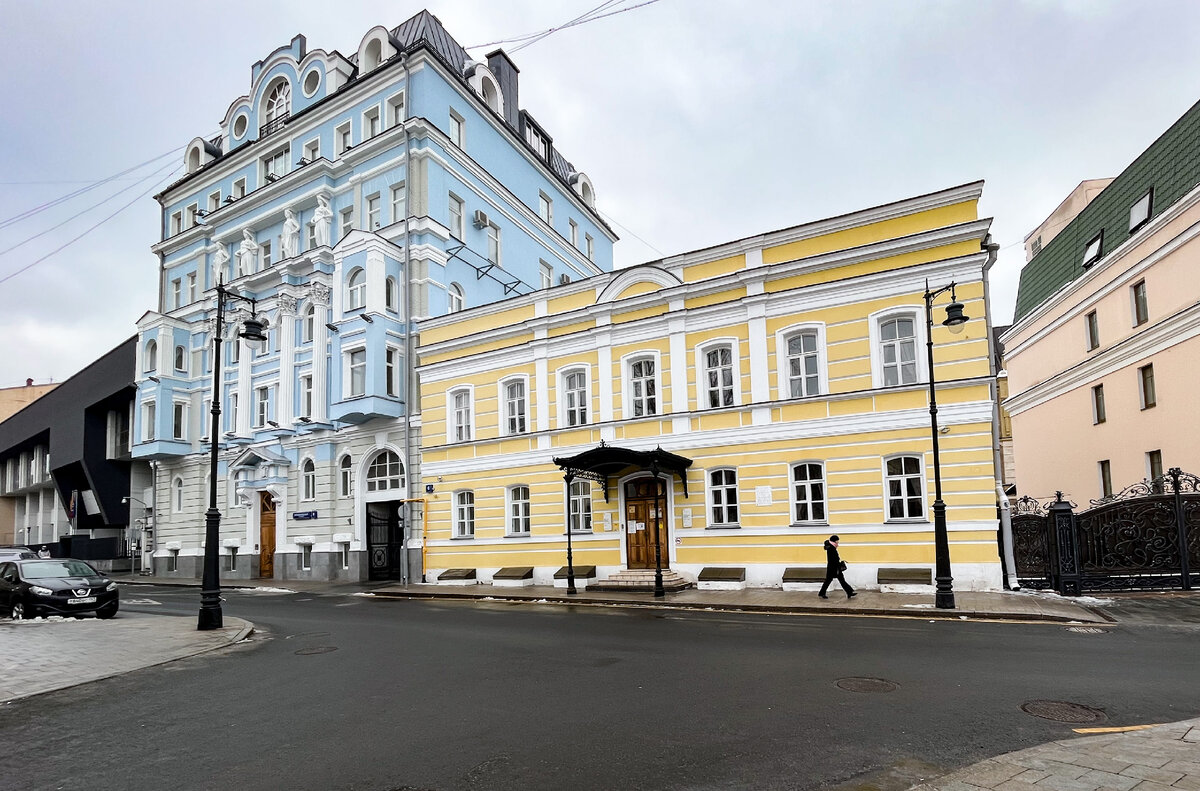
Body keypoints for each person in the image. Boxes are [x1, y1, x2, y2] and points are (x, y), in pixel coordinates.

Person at [819, 534, 856, 599]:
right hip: (833, 568)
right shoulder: (831, 548)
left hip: (834, 567)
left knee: (840, 580)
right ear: (834, 541)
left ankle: (849, 592)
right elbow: (833, 559)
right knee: (829, 581)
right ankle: (822, 593)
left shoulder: (831, 547)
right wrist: (839, 565)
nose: (838, 542)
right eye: (837, 541)